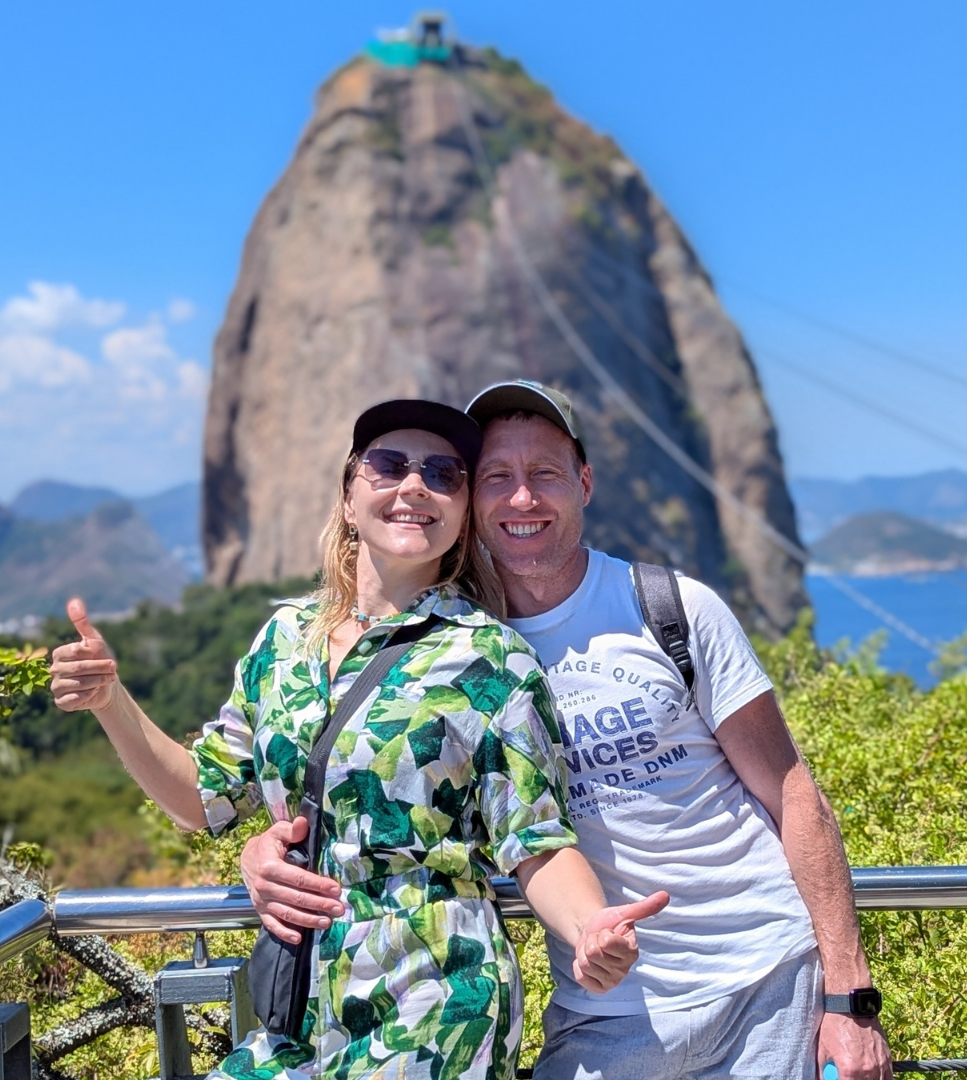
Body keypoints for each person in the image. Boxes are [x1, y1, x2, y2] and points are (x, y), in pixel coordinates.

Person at [241, 382, 894, 1080]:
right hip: (601, 1006)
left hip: (763, 985)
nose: (522, 498)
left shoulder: (672, 609)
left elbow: (793, 793)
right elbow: (369, 781)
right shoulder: (455, 652)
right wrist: (269, 847)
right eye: (497, 477)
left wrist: (849, 999)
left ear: (584, 482)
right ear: (470, 503)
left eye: (545, 473)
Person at [48, 398, 668, 1080]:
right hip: (297, 1007)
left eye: (443, 473)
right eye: (390, 465)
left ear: (462, 515)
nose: (415, 485)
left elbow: (536, 839)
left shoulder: (489, 659)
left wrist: (589, 928)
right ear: (349, 497)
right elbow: (202, 796)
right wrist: (110, 700)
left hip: (437, 1001)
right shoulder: (284, 642)